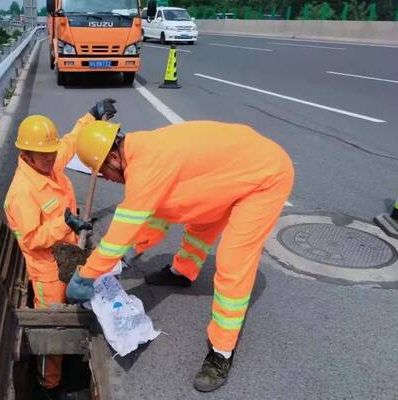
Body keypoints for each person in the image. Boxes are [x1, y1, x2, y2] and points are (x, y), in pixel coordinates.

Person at [66, 117, 294, 392]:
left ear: (114, 157)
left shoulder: (147, 167)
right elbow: (160, 212)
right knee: (199, 216)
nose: (109, 180)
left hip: (265, 176)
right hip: (231, 172)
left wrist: (87, 275)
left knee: (234, 262)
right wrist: (135, 250)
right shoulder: (141, 150)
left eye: (104, 173)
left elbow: (120, 232)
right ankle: (183, 272)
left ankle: (221, 352)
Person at [3, 99, 117, 399]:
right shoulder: (21, 192)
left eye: (51, 153)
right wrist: (66, 224)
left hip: (68, 258)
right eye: (42, 155)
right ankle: (49, 386)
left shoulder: (49, 163)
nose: (50, 158)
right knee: (52, 332)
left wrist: (91, 116)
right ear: (25, 154)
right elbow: (31, 239)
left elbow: (69, 141)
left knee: (72, 317)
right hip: (47, 273)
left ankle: (71, 364)